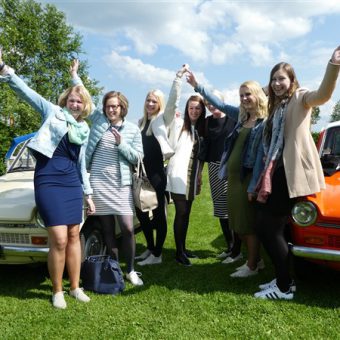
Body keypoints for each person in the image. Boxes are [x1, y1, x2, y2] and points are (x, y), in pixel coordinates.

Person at [0, 50, 95, 309]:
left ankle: (75, 287)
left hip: (72, 182)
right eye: (72, 100)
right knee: (59, 239)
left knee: (75, 235)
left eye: (79, 101)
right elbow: (27, 93)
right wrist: (4, 69)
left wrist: (88, 193)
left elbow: (82, 162)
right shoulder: (53, 113)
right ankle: (57, 290)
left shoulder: (83, 129)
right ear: (65, 101)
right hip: (49, 179)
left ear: (83, 105)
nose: (75, 104)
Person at [252, 46, 340, 300]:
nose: (277, 83)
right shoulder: (276, 107)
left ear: (292, 80)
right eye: (274, 79)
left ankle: (284, 286)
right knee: (265, 226)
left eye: (282, 78)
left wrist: (333, 65)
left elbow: (323, 95)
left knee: (270, 229)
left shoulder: (300, 98)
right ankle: (283, 279)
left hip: (291, 174)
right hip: (276, 172)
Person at [70, 61, 144, 286]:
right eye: (108, 106)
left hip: (120, 185)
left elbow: (138, 158)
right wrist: (75, 74)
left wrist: (122, 145)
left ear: (123, 107)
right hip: (99, 183)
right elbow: (85, 98)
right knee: (108, 230)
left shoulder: (132, 129)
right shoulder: (99, 121)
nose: (111, 109)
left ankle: (130, 270)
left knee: (128, 228)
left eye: (115, 106)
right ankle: (114, 269)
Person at [186, 71, 267, 276]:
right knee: (237, 223)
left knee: (245, 224)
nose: (244, 99)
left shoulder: (263, 122)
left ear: (258, 95)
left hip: (245, 178)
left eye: (248, 94)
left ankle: (252, 266)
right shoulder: (242, 117)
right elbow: (219, 105)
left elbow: (260, 158)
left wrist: (253, 185)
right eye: (241, 96)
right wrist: (197, 85)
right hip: (231, 178)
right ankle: (254, 260)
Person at [135, 65, 188, 266]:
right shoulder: (141, 122)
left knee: (158, 214)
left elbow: (174, 101)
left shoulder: (162, 119)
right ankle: (150, 248)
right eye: (148, 100)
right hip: (142, 175)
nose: (150, 103)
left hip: (157, 173)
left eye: (154, 101)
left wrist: (178, 78)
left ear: (159, 104)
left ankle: (157, 255)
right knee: (141, 212)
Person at [198, 90, 240, 261]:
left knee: (235, 211)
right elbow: (203, 149)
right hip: (215, 169)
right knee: (221, 210)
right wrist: (199, 173)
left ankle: (237, 249)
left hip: (233, 168)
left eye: (213, 101)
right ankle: (230, 246)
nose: (210, 105)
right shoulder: (207, 123)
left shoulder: (234, 119)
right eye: (207, 103)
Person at [166, 86, 207, 266]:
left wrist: (199, 174)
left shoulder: (201, 128)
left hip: (191, 175)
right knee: (181, 212)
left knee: (187, 213)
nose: (194, 111)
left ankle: (182, 247)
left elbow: (201, 155)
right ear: (186, 109)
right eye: (191, 108)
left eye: (197, 108)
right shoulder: (179, 125)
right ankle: (179, 252)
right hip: (178, 175)